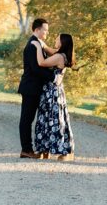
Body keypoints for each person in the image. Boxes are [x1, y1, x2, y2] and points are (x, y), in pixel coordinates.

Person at [33, 32, 75, 161]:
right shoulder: (63, 55)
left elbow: (41, 62)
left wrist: (37, 46)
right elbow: (50, 50)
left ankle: (55, 151)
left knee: (50, 119)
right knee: (52, 119)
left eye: (57, 39)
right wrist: (42, 44)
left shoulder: (59, 57)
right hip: (57, 91)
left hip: (51, 92)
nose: (55, 40)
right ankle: (46, 150)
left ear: (62, 43)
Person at [17, 18, 53, 159]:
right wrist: (53, 76)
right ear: (37, 29)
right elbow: (36, 69)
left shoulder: (38, 43)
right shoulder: (33, 45)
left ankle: (30, 149)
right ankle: (26, 150)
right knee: (26, 120)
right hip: (30, 88)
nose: (47, 33)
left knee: (30, 119)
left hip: (34, 88)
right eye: (45, 30)